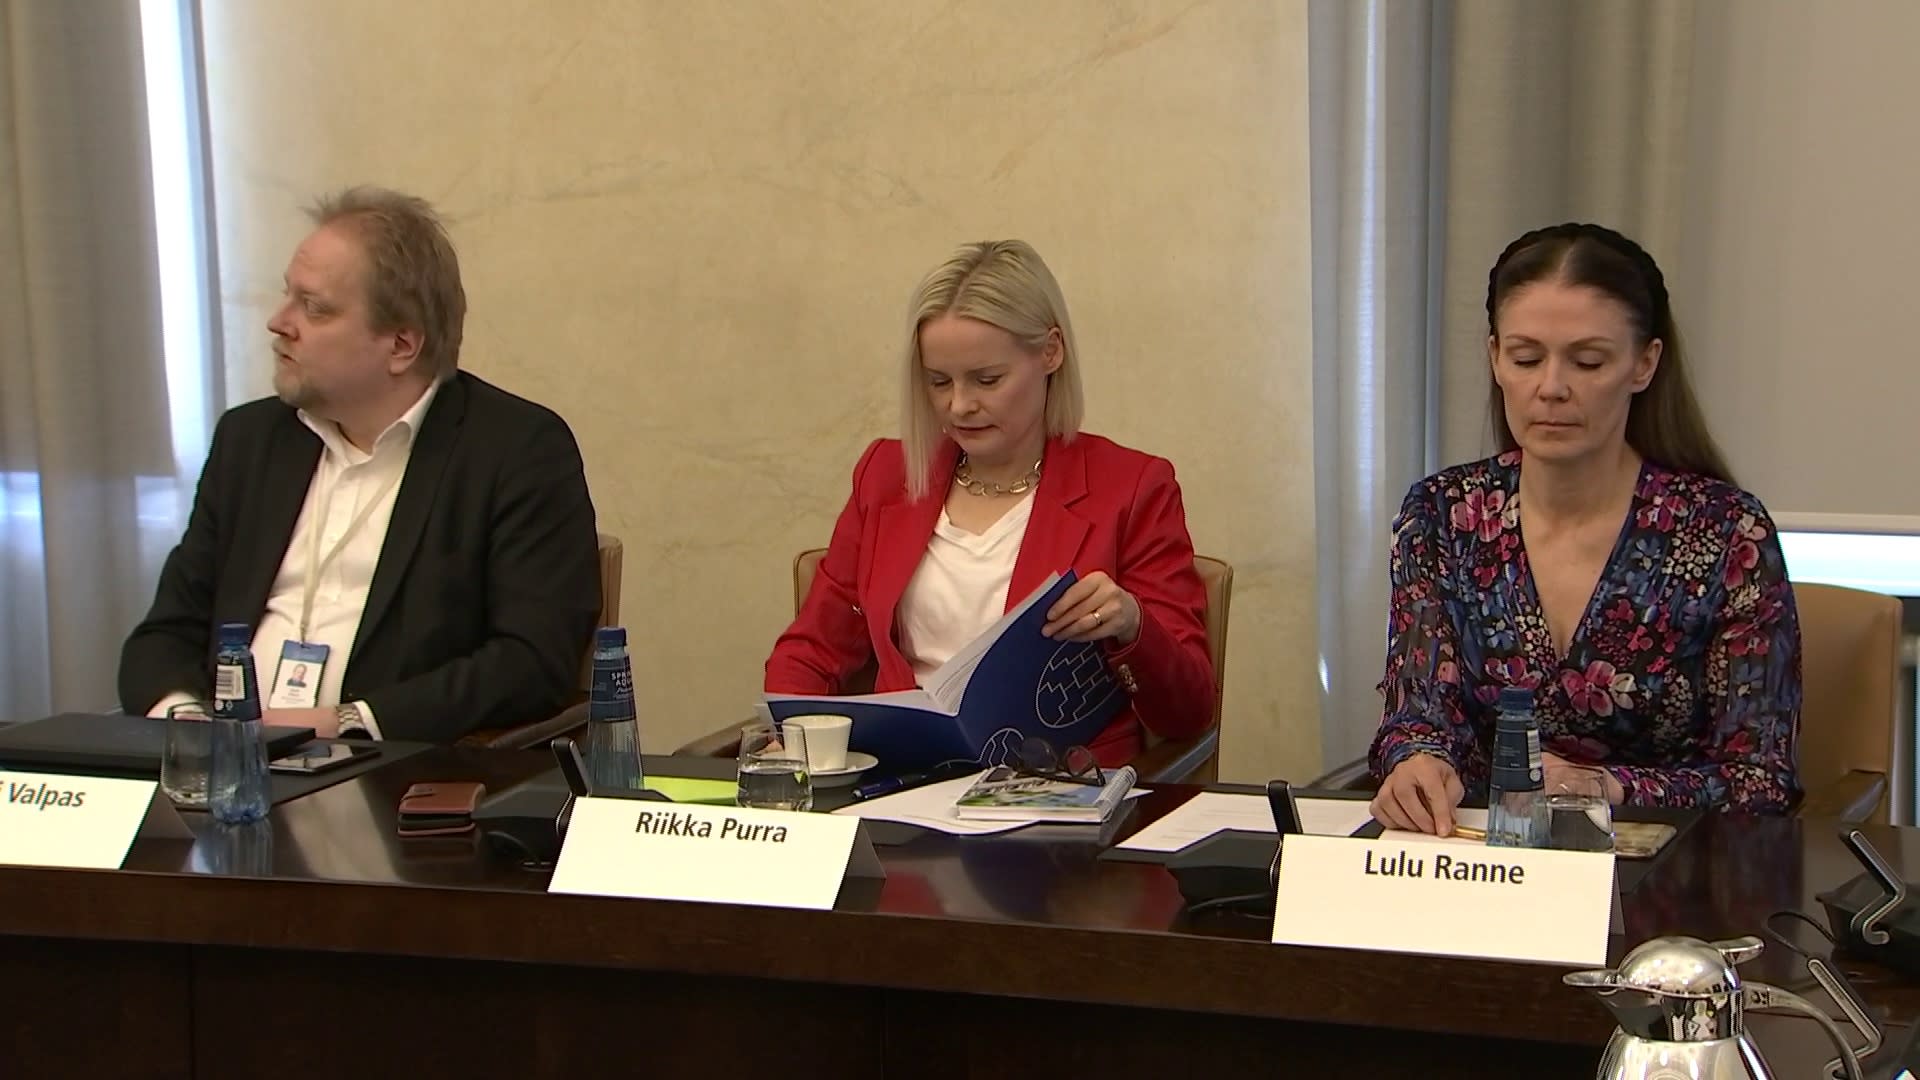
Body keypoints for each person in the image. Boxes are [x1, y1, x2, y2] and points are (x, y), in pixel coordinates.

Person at [119, 186, 599, 743]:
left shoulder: (514, 450)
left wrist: (348, 722)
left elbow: (530, 662)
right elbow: (164, 633)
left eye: (314, 307)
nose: (279, 322)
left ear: (401, 345)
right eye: (287, 296)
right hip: (225, 763)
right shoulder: (250, 441)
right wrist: (189, 724)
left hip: (390, 770)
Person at [1369, 223, 1801, 834]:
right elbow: (1417, 713)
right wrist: (1417, 761)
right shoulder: (1442, 514)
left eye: (1588, 361)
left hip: (1669, 865)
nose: (1551, 388)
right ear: (1495, 358)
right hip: (1482, 860)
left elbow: (1760, 779)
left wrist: (1603, 787)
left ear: (1644, 363)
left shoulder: (1727, 532)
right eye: (1526, 358)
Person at [765, 240, 1215, 765]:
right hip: (902, 780)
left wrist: (1133, 625)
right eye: (939, 382)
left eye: (987, 380)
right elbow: (814, 648)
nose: (959, 406)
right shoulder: (886, 476)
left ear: (1050, 352)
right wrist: (786, 736)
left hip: (1058, 788)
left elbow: (1189, 711)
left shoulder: (1133, 487)